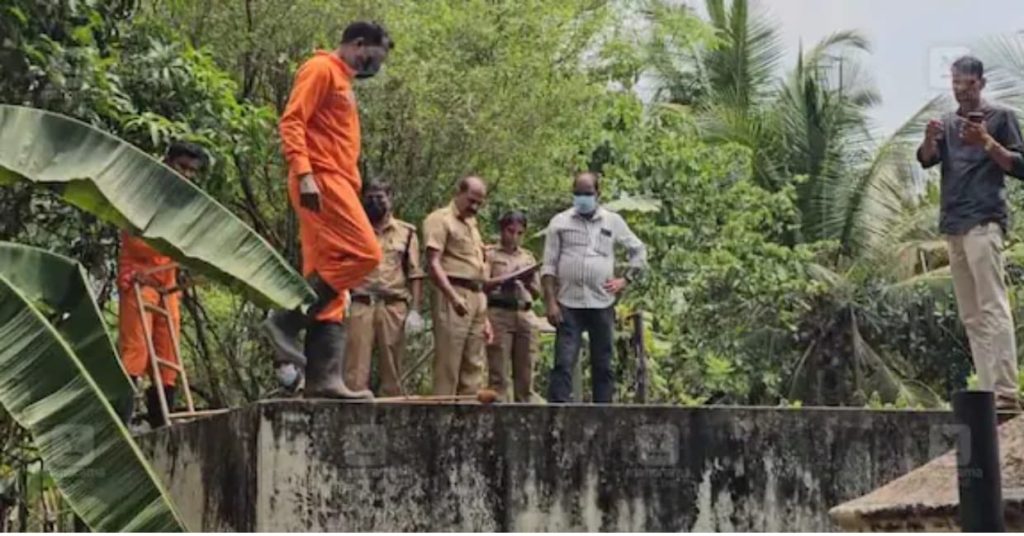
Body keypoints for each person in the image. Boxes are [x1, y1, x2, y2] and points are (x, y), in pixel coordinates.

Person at [262, 21, 393, 399]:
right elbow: (292, 121)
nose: (374, 67)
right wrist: (304, 174)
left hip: (338, 181)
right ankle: (286, 320)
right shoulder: (321, 68)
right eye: (373, 57)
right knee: (366, 254)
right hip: (321, 178)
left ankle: (323, 379)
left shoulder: (343, 81)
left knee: (331, 277)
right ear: (358, 44)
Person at [917, 55, 1024, 411]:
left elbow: (1019, 166)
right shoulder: (948, 123)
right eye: (955, 83)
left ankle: (1006, 392)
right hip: (954, 224)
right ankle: (988, 393)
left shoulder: (1002, 118)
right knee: (972, 315)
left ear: (981, 83)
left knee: (993, 306)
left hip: (984, 220)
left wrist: (986, 142)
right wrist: (929, 139)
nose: (960, 90)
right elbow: (926, 159)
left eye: (967, 83)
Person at [117, 141, 208, 427]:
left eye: (192, 171)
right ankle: (121, 421)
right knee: (135, 349)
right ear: (167, 162)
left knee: (168, 353)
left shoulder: (185, 202)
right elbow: (134, 239)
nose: (187, 175)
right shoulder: (144, 192)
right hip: (139, 278)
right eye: (182, 167)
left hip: (167, 282)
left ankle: (162, 425)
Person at [541, 171, 647, 404]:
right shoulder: (560, 222)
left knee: (603, 364)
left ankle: (603, 413)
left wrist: (625, 280)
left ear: (598, 193)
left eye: (587, 193)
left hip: (601, 302)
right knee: (563, 362)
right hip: (568, 303)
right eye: (578, 193)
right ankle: (558, 414)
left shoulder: (612, 221)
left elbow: (639, 251)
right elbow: (548, 265)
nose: (583, 198)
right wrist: (550, 302)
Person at [343, 180, 426, 396]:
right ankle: (354, 406)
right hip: (361, 302)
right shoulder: (354, 230)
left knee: (394, 367)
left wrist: (415, 311)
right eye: (369, 197)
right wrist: (343, 295)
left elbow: (415, 273)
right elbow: (343, 266)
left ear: (390, 198)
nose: (374, 202)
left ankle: (394, 406)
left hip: (393, 305)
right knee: (354, 365)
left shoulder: (407, 232)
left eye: (380, 197)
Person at [423, 176, 494, 396]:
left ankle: (469, 411)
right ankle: (443, 410)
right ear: (459, 193)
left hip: (477, 295)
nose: (474, 207)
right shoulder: (440, 219)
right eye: (471, 201)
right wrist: (453, 297)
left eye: (479, 203)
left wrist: (485, 315)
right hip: (453, 292)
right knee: (449, 361)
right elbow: (433, 263)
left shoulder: (472, 225)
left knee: (474, 363)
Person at [484, 211, 542, 403]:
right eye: (510, 231)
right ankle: (499, 407)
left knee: (526, 370)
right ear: (502, 230)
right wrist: (506, 279)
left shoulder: (528, 257)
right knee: (499, 370)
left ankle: (525, 407)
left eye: (519, 233)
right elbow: (482, 283)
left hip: (524, 312)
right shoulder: (490, 254)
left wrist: (527, 280)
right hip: (499, 312)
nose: (514, 237)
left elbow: (536, 292)